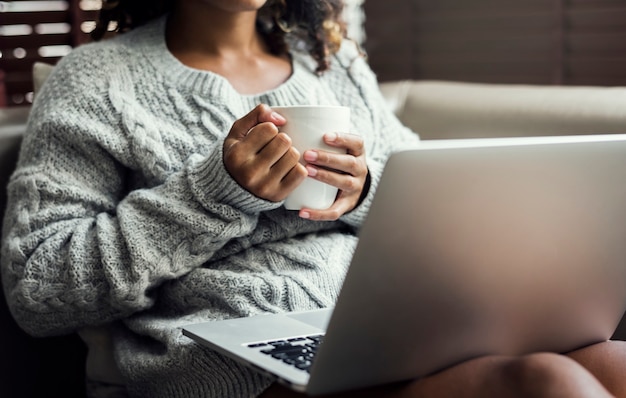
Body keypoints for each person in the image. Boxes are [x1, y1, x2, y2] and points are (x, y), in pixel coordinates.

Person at [1, 0, 626, 397]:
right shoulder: (93, 81)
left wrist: (364, 191)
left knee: (613, 361)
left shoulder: (332, 64)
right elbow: (39, 288)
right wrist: (210, 195)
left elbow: (430, 196)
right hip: (238, 353)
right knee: (549, 384)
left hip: (381, 324)